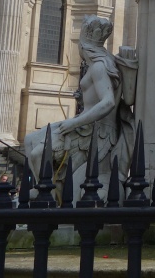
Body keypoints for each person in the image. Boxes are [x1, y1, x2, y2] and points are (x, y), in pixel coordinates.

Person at [23, 16, 137, 200]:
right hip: (83, 126)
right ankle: (45, 188)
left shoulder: (99, 67)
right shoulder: (98, 64)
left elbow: (108, 102)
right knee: (29, 140)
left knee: (38, 153)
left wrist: (74, 123)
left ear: (84, 45)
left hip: (94, 130)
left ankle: (48, 195)